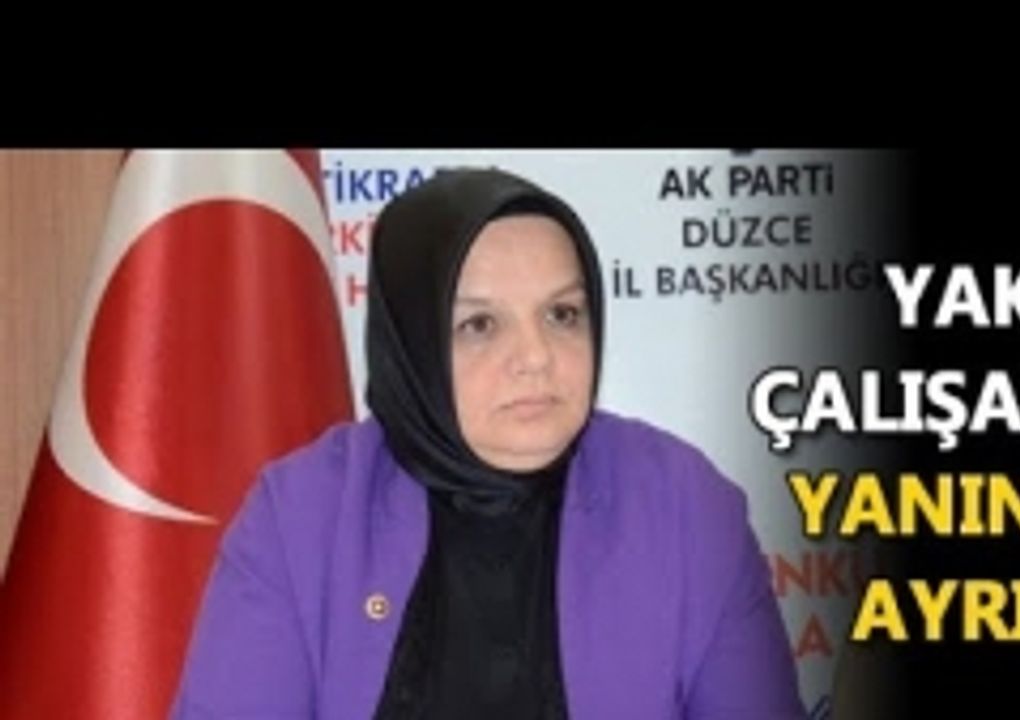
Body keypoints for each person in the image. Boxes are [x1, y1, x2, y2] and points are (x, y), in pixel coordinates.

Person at [170, 167, 804, 719]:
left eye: (562, 314)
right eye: (479, 324)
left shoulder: (684, 507)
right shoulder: (300, 518)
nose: (536, 356)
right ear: (413, 344)